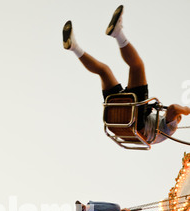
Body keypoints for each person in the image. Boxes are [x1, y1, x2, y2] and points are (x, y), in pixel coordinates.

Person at [63, 5, 190, 145]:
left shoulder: (170, 128)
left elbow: (174, 109)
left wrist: (185, 110)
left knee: (137, 67)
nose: (174, 117)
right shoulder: (158, 125)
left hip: (135, 122)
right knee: (104, 71)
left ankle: (117, 33)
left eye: (176, 118)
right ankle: (74, 47)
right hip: (121, 123)